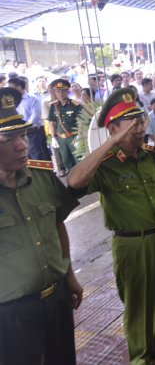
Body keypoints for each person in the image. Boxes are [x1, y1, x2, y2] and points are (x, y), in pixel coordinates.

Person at [67, 88, 155, 363]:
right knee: (138, 305)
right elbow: (74, 182)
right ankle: (141, 357)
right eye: (130, 123)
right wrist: (112, 143)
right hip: (131, 244)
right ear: (113, 129)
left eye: (140, 119)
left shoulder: (146, 155)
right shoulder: (105, 164)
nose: (138, 127)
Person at [0, 87, 82, 365]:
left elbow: (58, 225)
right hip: (12, 312)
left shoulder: (41, 174)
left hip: (57, 297)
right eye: (8, 138)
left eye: (22, 134)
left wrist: (69, 275)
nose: (22, 144)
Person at [8, 76, 50, 160]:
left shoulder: (32, 99)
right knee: (23, 155)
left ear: (19, 87)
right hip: (18, 132)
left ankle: (40, 173)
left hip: (32, 131)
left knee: (36, 154)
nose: (10, 90)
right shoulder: (10, 100)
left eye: (11, 87)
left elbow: (34, 117)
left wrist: (24, 127)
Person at [47, 79, 81, 173]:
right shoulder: (54, 106)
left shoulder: (75, 105)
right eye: (58, 91)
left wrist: (80, 136)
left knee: (79, 161)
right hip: (61, 139)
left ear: (67, 91)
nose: (60, 93)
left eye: (63, 91)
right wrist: (53, 138)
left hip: (74, 137)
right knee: (67, 162)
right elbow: (52, 123)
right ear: (54, 92)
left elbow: (81, 122)